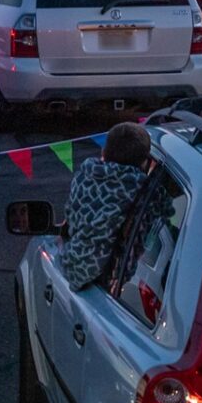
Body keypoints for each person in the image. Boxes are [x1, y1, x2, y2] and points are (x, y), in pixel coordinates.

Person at [60, 122, 151, 289]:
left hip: (74, 269)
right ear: (145, 163)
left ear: (103, 152)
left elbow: (71, 218)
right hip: (111, 281)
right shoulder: (141, 190)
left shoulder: (84, 177)